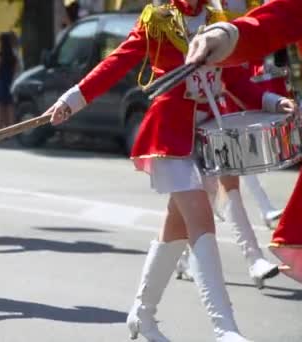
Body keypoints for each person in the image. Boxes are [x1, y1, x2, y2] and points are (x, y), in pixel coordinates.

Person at [43, 1, 295, 340]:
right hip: (170, 136)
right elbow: (118, 62)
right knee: (201, 220)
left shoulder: (217, 20)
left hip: (207, 135)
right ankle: (225, 329)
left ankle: (141, 315)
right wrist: (72, 99)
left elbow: (234, 78)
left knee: (174, 231)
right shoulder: (158, 21)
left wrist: (269, 101)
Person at [186, 0, 302, 284]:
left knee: (224, 181)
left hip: (237, 95)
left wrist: (269, 98)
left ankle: (252, 257)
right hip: (192, 112)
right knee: (199, 194)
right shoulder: (170, 16)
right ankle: (191, 258)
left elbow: (243, 68)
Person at [0, 32, 18, 129]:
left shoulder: (0, 55)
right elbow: (16, 70)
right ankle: (11, 129)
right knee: (10, 106)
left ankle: (0, 129)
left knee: (0, 107)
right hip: (10, 82)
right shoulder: (13, 56)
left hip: (1, 82)